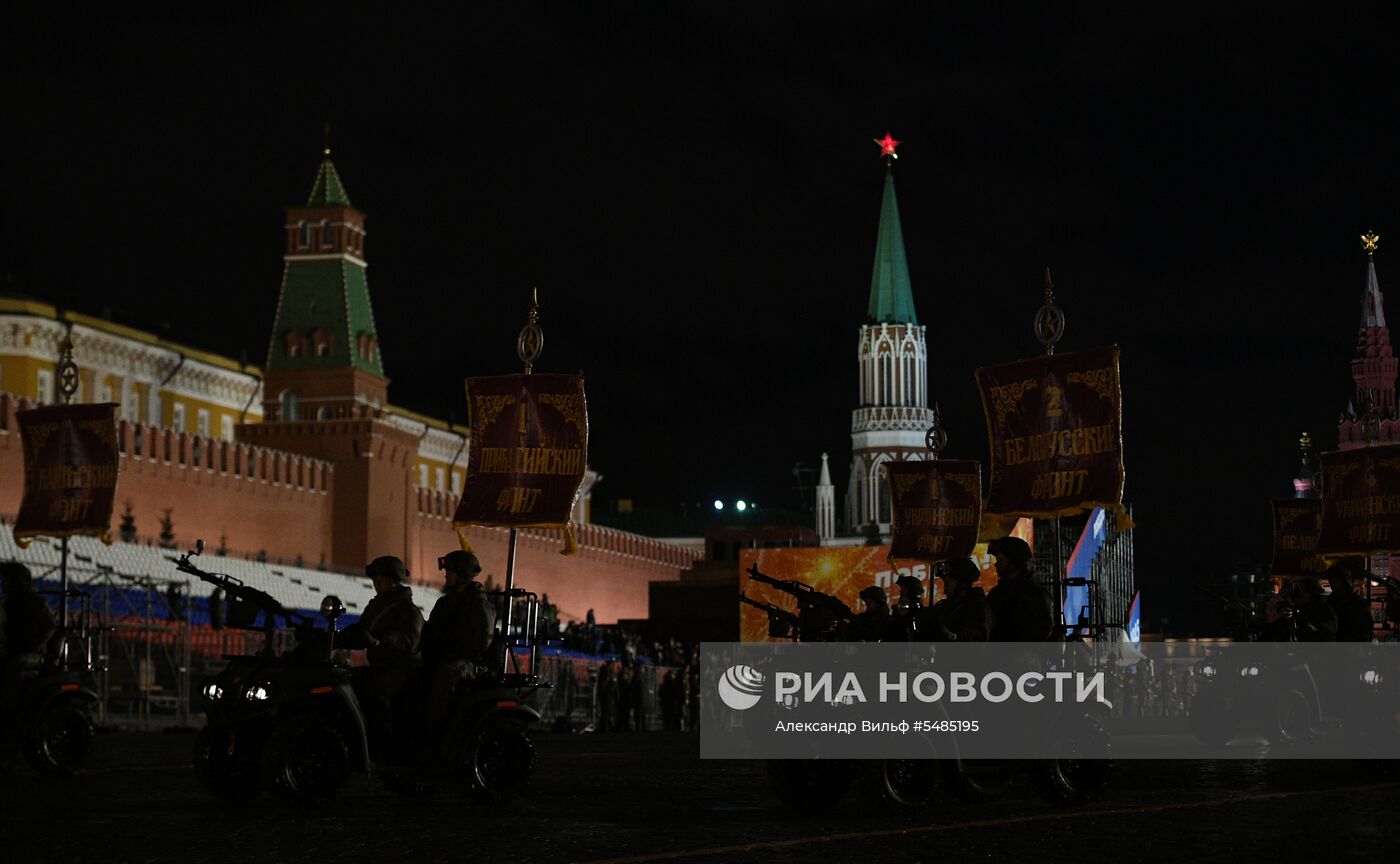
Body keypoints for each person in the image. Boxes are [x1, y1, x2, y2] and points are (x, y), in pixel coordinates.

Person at [337, 556, 423, 760]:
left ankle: (384, 748)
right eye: (375, 579)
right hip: (380, 666)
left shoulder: (409, 611)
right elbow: (360, 632)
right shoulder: (375, 606)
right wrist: (334, 640)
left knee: (377, 690)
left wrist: (381, 639)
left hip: (403, 669)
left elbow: (409, 641)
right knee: (347, 681)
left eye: (381, 579)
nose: (377, 583)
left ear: (394, 580)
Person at [420, 550, 497, 737]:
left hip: (468, 662)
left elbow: (481, 642)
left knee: (445, 678)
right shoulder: (445, 603)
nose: (446, 575)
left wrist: (451, 641)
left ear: (462, 574)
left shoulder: (479, 605)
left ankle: (438, 734)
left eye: (450, 571)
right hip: (443, 656)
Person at [2, 563, 57, 734]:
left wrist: (35, 646)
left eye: (9, 581)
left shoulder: (35, 602)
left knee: (15, 665)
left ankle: (10, 714)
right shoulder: (9, 603)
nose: (5, 585)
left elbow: (50, 626)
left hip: (35, 654)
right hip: (15, 650)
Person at [986, 536, 1054, 641]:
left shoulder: (1032, 596)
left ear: (1014, 563)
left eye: (1000, 559)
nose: (996, 564)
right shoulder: (999, 592)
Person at [931, 557, 992, 642]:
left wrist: (951, 634)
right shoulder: (944, 606)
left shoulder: (977, 607)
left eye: (951, 579)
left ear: (963, 583)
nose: (946, 584)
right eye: (945, 580)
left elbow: (978, 638)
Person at [1326, 564, 1373, 643]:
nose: (1332, 583)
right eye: (1331, 580)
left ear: (1343, 581)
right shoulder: (1331, 601)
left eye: (1335, 580)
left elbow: (1365, 630)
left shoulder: (1358, 603)